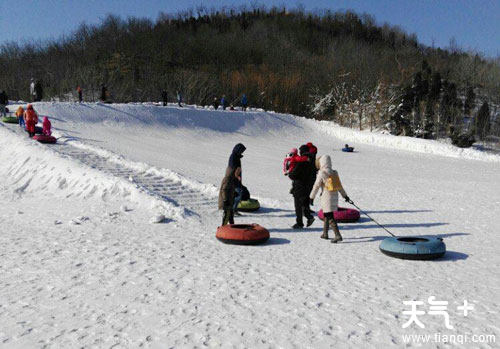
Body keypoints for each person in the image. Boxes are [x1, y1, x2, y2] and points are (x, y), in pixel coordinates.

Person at [310, 155, 351, 243]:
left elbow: (316, 186)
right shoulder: (334, 173)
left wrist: (311, 197)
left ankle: (337, 235)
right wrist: (345, 196)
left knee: (329, 216)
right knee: (327, 215)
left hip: (326, 197)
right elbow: (340, 187)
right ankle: (325, 234)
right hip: (334, 197)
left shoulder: (322, 173)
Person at [288, 144, 316, 229]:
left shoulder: (302, 162)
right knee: (304, 203)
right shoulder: (312, 161)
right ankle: (309, 217)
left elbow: (293, 174)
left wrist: (290, 172)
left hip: (299, 186)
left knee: (298, 205)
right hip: (309, 186)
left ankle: (299, 223)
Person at [218, 143, 246, 225]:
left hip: (229, 201)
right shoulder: (228, 179)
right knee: (227, 215)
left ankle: (232, 226)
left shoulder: (232, 180)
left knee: (230, 216)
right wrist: (226, 200)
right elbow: (224, 190)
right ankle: (224, 228)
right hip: (227, 202)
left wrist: (234, 193)